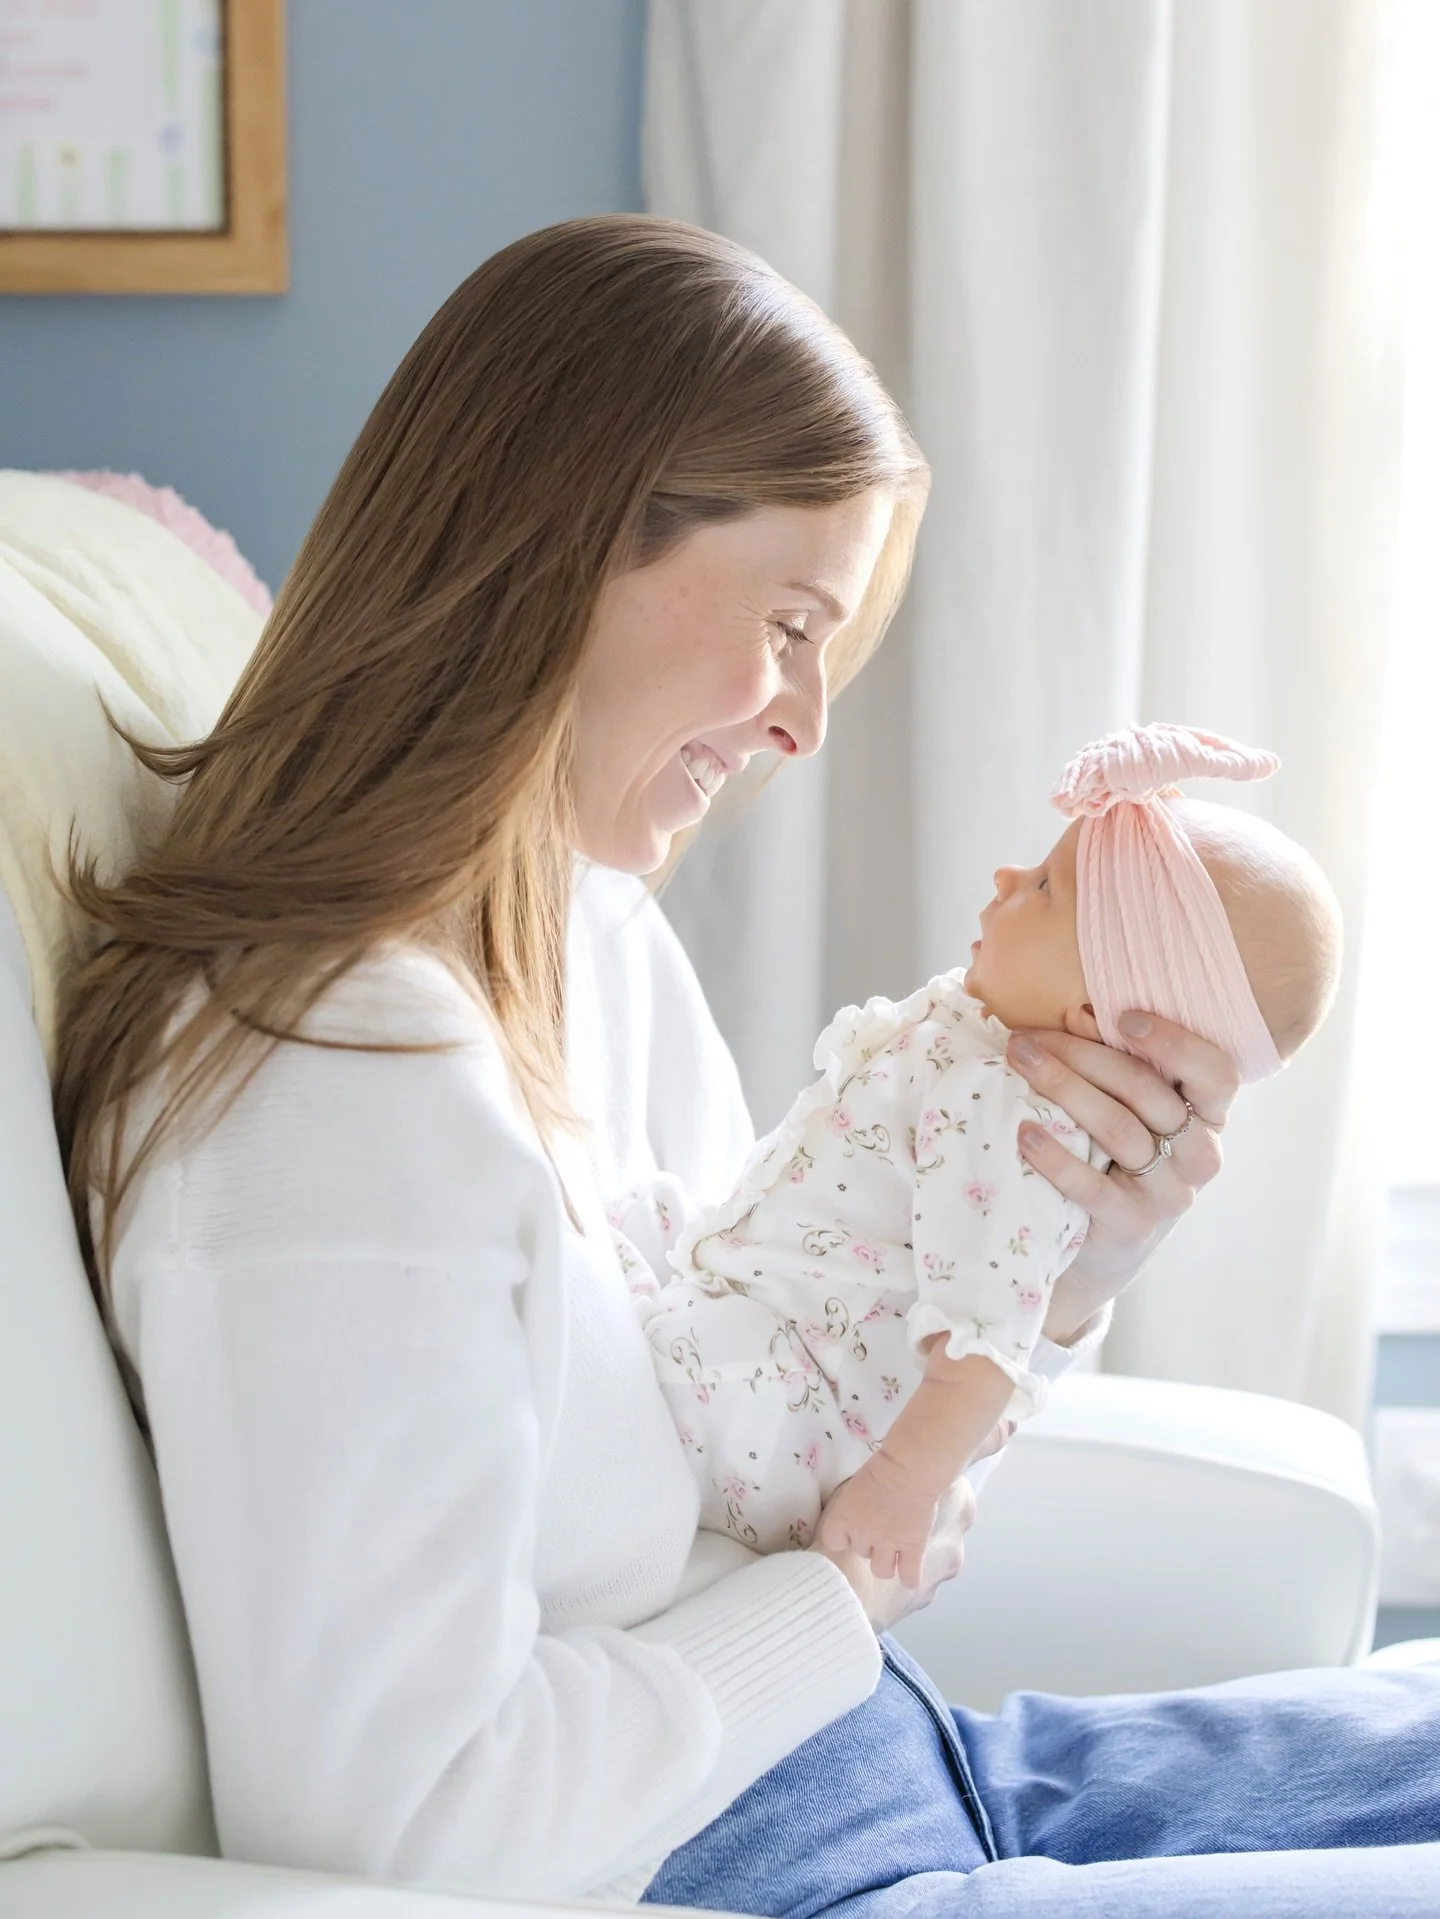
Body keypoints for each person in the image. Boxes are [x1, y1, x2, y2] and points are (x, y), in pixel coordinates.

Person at [50, 217, 1440, 1916]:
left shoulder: (584, 929)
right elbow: (402, 1826)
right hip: (761, 1870)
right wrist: (840, 1605)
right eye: (792, 625)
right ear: (553, 544)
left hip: (900, 1757)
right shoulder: (331, 1083)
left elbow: (807, 1397)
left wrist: (1069, 1277)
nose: (802, 722)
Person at [627, 723, 1342, 1584]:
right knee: (648, 1218)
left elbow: (984, 1329)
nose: (1007, 877)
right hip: (764, 1340)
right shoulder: (980, 1059)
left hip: (771, 1410)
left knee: (634, 1273)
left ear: (1098, 1013)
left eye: (1044, 888)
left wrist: (901, 1485)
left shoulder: (1005, 1107)